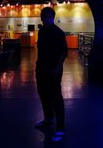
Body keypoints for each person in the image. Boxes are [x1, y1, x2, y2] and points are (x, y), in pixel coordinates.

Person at [34, 7, 68, 142]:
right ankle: (48, 119)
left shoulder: (59, 33)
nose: (47, 19)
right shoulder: (41, 32)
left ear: (52, 18)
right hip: (41, 69)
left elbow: (63, 53)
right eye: (45, 17)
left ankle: (60, 128)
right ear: (42, 18)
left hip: (54, 70)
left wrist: (57, 68)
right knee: (43, 94)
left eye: (49, 17)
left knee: (56, 97)